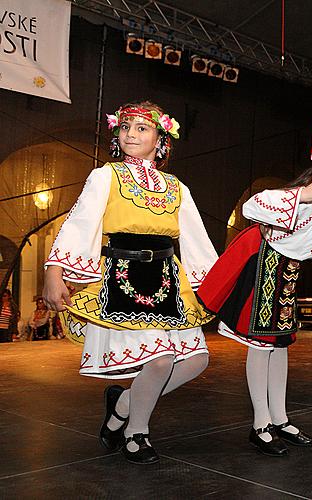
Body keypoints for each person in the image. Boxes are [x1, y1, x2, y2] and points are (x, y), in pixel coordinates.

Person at [43, 101, 218, 464]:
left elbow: (196, 239)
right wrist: (54, 271)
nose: (131, 134)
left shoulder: (176, 187)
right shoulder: (105, 176)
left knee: (195, 361)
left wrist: (216, 289)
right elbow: (80, 224)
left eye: (141, 128)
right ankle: (137, 432)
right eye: (125, 128)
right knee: (160, 360)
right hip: (122, 278)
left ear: (160, 139)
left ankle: (121, 404)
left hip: (168, 281)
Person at [197, 116, 312, 456]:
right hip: (262, 260)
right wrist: (302, 195)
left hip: (286, 269)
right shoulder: (311, 198)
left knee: (279, 344)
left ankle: (279, 418)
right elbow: (253, 207)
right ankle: (260, 423)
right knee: (261, 343)